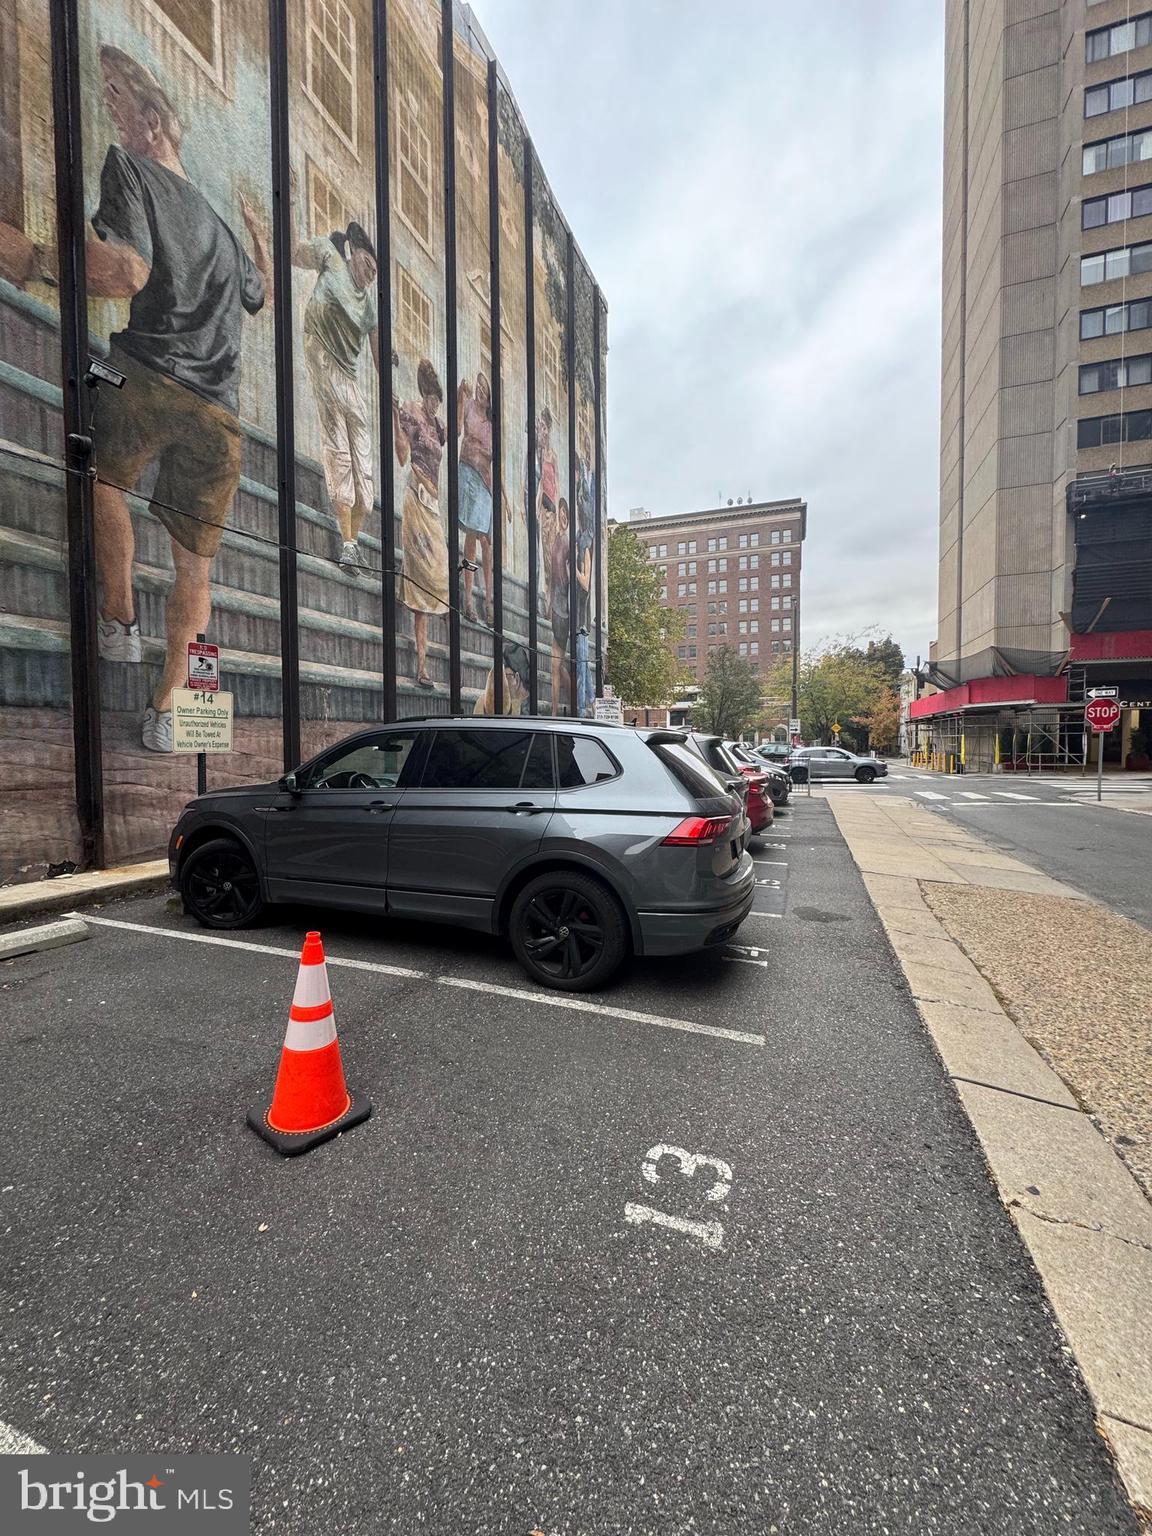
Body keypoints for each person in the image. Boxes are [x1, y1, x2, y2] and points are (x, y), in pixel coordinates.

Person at [84, 44, 269, 753]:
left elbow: (126, 270)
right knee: (196, 566)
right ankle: (169, 714)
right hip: (218, 415)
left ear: (153, 118)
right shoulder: (223, 233)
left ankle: (120, 617)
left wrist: (48, 259)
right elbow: (263, 294)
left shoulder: (127, 167)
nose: (111, 109)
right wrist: (259, 241)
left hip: (141, 374)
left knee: (103, 477)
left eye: (116, 97)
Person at [295, 216, 380, 574]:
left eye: (375, 272)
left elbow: (377, 352)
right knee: (340, 454)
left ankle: (353, 541)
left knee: (367, 485)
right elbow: (296, 252)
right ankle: (346, 544)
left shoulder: (368, 306)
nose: (370, 274)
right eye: (368, 265)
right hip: (322, 357)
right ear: (353, 252)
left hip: (350, 379)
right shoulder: (331, 257)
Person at [392, 359, 449, 689]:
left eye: (438, 399)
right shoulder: (411, 413)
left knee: (439, 573)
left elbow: (446, 441)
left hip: (434, 505)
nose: (433, 403)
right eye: (431, 397)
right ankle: (422, 666)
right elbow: (403, 456)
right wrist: (394, 415)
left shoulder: (438, 425)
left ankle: (405, 585)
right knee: (420, 578)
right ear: (423, 394)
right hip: (416, 498)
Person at [457, 372, 493, 623]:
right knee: (471, 538)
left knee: (486, 543)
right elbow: (458, 428)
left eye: (484, 388)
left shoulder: (491, 425)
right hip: (467, 475)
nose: (480, 390)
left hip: (485, 483)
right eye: (478, 386)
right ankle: (469, 599)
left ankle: (489, 600)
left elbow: (495, 460)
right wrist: (460, 399)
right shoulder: (468, 405)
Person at [548, 497, 571, 713]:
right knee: (555, 664)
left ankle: (569, 705)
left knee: (558, 664)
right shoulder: (556, 540)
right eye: (560, 512)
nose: (562, 516)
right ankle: (556, 709)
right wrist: (547, 602)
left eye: (565, 513)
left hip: (565, 609)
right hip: (555, 606)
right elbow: (551, 576)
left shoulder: (568, 543)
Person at [474, 640, 530, 716]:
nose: (501, 681)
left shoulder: (525, 709)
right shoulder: (485, 702)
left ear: (517, 679)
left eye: (505, 675)